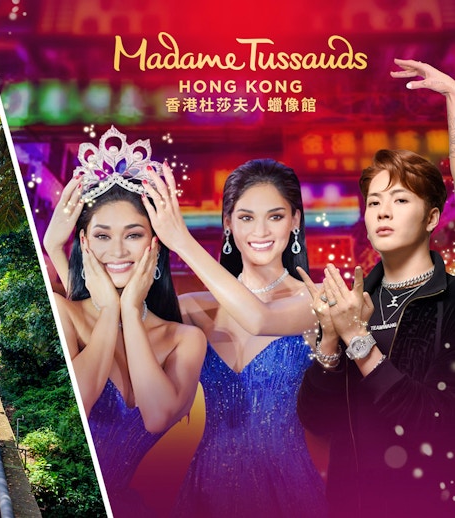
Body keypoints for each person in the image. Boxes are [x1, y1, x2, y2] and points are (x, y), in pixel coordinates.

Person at [296, 58, 455, 518]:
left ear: (430, 218)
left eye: (400, 200)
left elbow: (438, 424)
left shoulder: (449, 304)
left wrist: (359, 343)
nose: (382, 212)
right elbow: (317, 422)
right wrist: (329, 338)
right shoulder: (356, 299)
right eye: (374, 202)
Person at [140, 158, 328, 517]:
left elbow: (259, 319)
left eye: (275, 216)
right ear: (228, 223)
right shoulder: (194, 308)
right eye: (245, 217)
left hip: (288, 488)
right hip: (207, 488)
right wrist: (57, 249)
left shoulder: (316, 299)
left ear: (295, 221)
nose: (261, 230)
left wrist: (182, 240)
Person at [50, 127, 206, 516]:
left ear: (155, 243)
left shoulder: (185, 339)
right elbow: (78, 401)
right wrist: (108, 312)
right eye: (102, 236)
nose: (117, 251)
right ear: (84, 243)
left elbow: (156, 418)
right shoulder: (62, 311)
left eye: (133, 235)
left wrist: (129, 310)